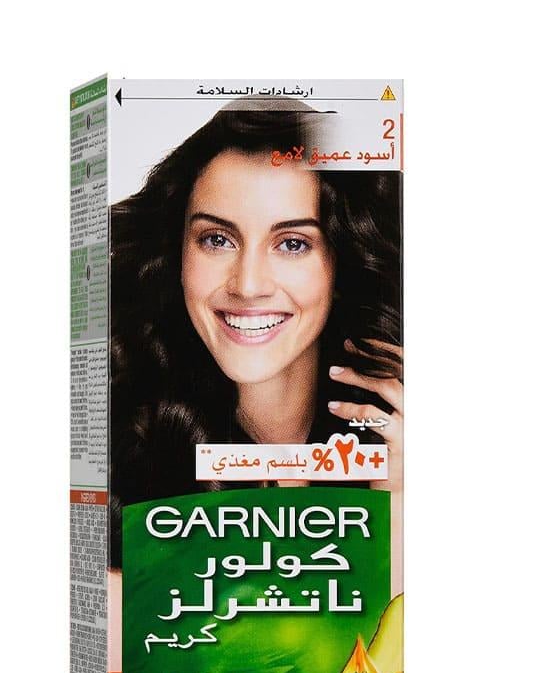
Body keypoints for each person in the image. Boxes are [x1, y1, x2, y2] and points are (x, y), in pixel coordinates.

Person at [108, 101, 403, 612]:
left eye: (292, 244)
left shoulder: (400, 458)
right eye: (217, 239)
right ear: (178, 254)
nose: (247, 285)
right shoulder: (118, 463)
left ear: (344, 259)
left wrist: (394, 506)